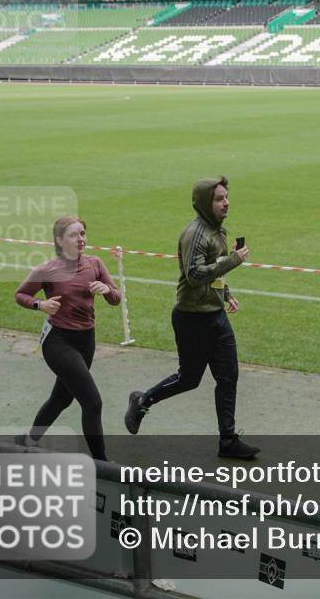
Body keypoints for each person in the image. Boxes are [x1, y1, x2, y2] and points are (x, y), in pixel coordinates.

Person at [124, 175, 259, 460]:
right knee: (189, 379)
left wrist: (226, 294)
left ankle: (228, 440)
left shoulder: (218, 232)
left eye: (226, 197)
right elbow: (195, 274)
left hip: (214, 315)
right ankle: (142, 400)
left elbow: (215, 272)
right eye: (219, 199)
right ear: (203, 203)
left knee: (228, 376)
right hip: (191, 318)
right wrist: (234, 260)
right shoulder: (194, 234)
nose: (226, 203)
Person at [15, 215, 121, 461]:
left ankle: (28, 440)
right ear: (60, 240)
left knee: (61, 398)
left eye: (82, 233)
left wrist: (107, 291)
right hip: (58, 342)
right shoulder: (47, 270)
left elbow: (116, 298)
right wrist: (40, 304)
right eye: (74, 235)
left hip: (87, 341)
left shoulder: (95, 264)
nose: (81, 239)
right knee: (92, 403)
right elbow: (21, 294)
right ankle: (101, 463)